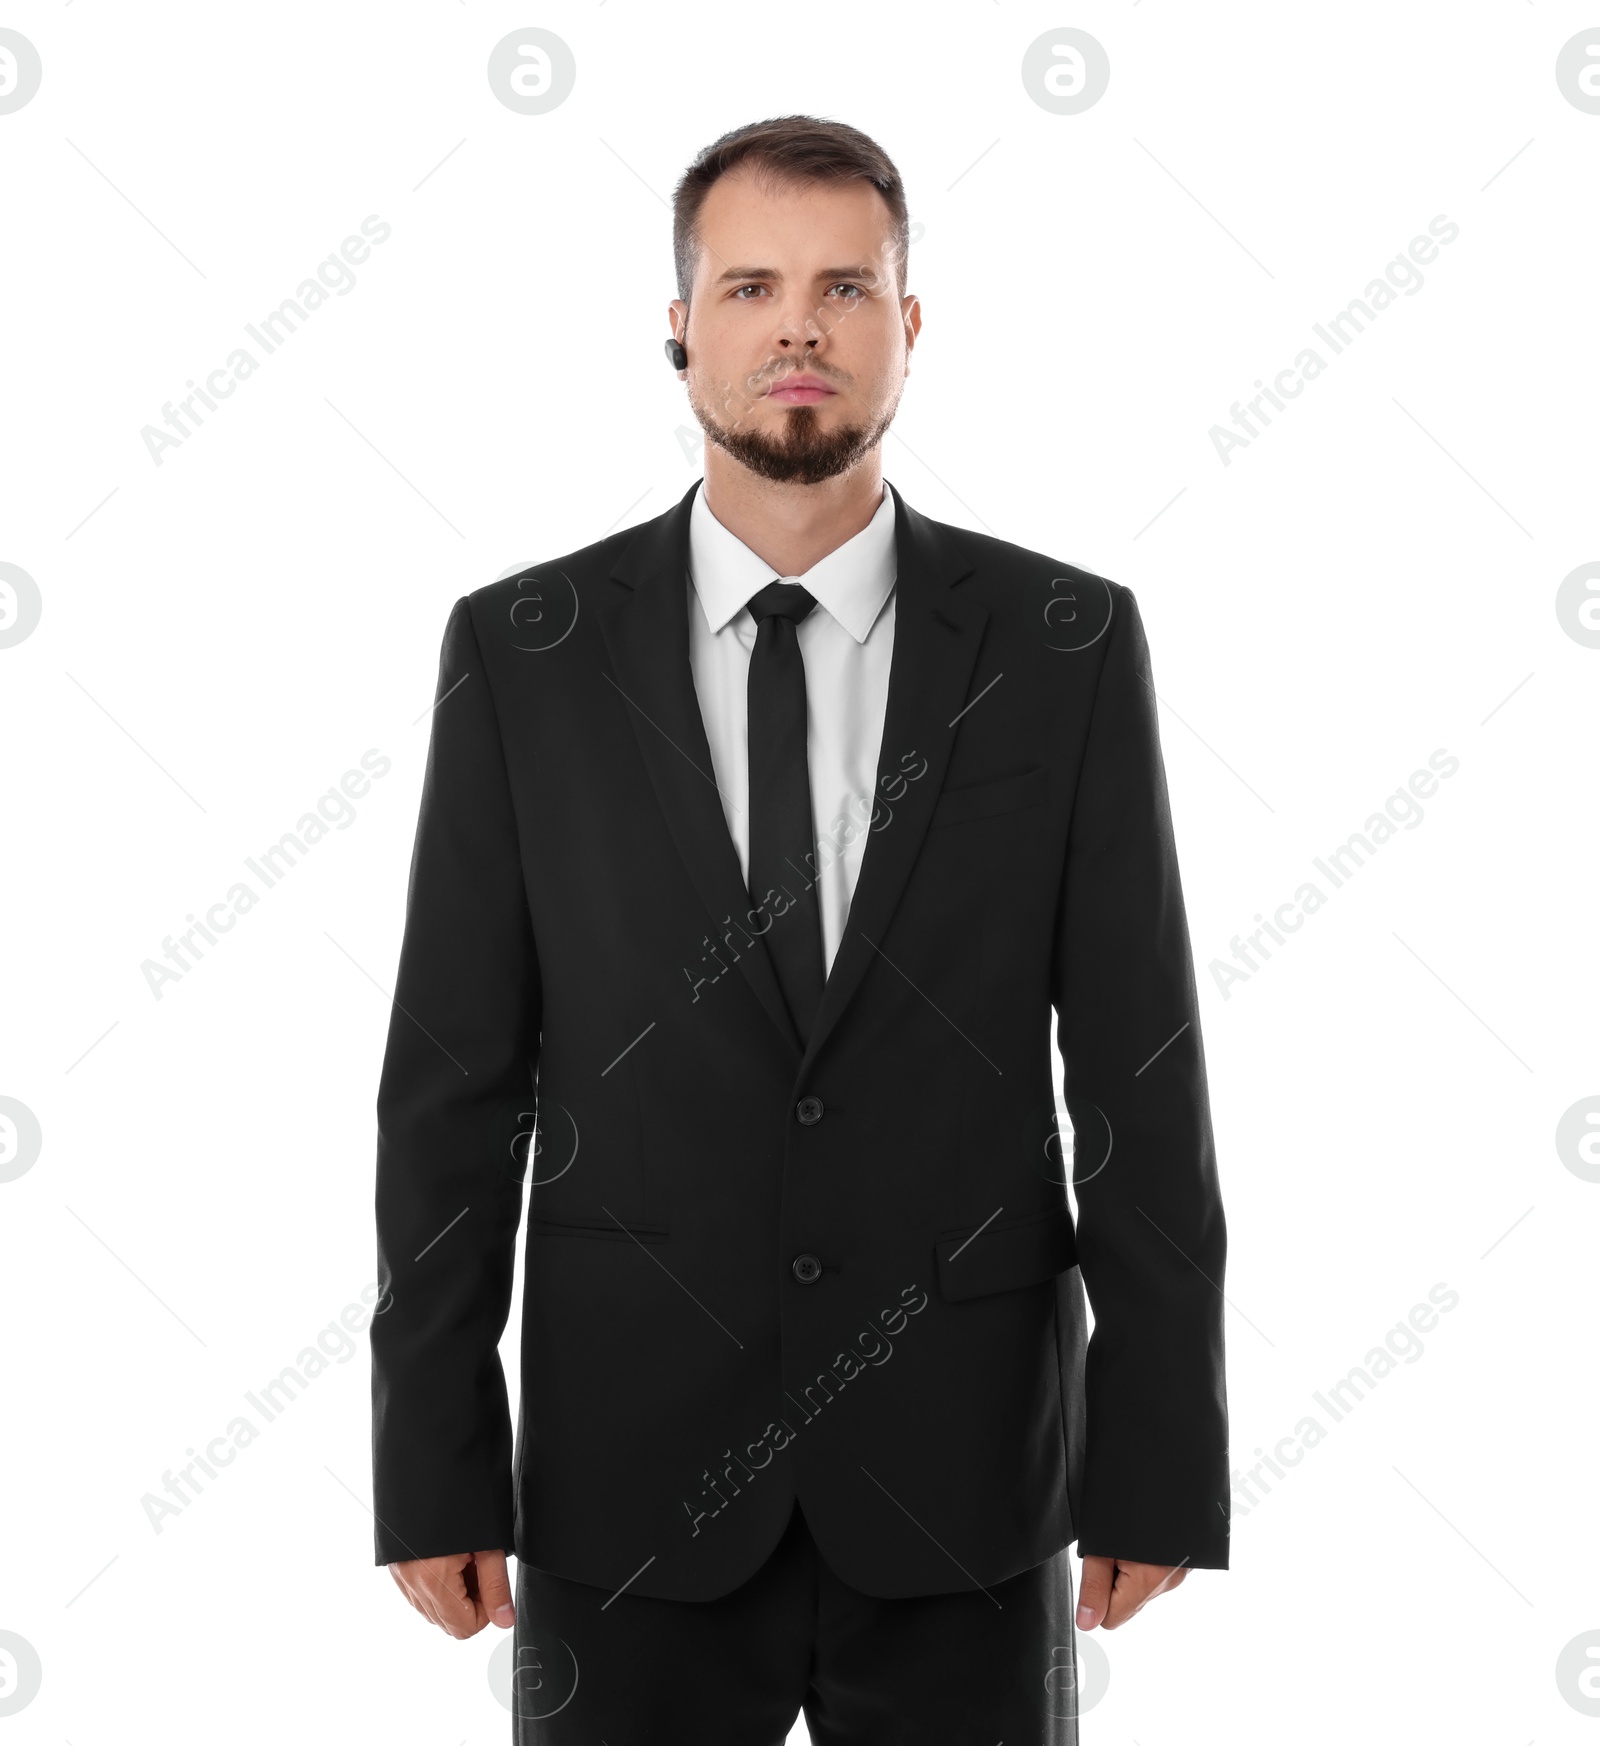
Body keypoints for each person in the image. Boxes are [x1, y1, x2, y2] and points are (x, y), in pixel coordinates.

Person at [371, 113, 1228, 1742]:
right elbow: (452, 1088)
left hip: (968, 1477)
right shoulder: (525, 654)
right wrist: (431, 1455)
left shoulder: (1062, 645)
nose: (798, 327)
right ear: (680, 325)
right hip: (626, 1481)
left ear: (908, 331)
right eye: (751, 284)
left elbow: (1140, 1069)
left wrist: (1158, 1455)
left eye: (846, 287)